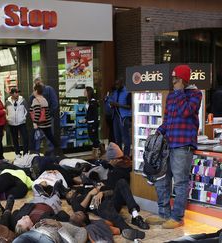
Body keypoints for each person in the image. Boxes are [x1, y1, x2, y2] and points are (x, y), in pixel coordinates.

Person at [147, 64, 202, 229]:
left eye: (176, 78)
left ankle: (177, 218)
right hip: (168, 144)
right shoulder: (171, 96)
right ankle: (164, 215)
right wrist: (157, 133)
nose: (173, 81)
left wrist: (179, 91)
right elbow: (168, 120)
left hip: (183, 145)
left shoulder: (195, 94)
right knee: (162, 180)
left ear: (184, 80)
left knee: (180, 182)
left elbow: (186, 112)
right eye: (172, 78)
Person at [66, 179, 149, 241]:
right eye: (68, 194)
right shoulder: (75, 201)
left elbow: (112, 190)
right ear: (69, 200)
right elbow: (80, 209)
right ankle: (127, 229)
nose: (70, 192)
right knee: (106, 206)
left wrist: (102, 193)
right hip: (100, 207)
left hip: (112, 201)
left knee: (121, 182)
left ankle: (135, 216)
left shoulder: (84, 189)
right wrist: (90, 194)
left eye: (70, 191)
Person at [30, 77, 59, 156]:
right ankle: (38, 155)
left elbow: (55, 103)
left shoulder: (49, 89)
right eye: (36, 84)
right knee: (39, 137)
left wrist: (48, 114)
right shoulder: (36, 93)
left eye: (39, 83)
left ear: (42, 82)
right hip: (41, 119)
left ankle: (49, 155)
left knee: (46, 137)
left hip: (45, 119)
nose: (38, 86)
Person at [109, 79, 132, 156]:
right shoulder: (115, 92)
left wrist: (117, 105)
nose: (116, 86)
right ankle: (119, 156)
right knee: (117, 138)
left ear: (122, 84)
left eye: (118, 85)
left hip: (124, 117)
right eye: (116, 85)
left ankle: (126, 156)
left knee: (125, 138)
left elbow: (130, 106)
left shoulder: (127, 92)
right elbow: (112, 102)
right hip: (115, 116)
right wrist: (111, 104)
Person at [5, 88, 29, 159]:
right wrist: (8, 118)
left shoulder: (23, 101)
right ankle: (17, 153)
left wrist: (23, 118)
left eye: (18, 92)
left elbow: (27, 111)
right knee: (14, 139)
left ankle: (25, 153)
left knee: (25, 138)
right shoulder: (7, 102)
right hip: (12, 123)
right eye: (15, 93)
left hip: (21, 122)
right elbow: (5, 111)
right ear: (11, 94)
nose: (17, 94)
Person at [83, 87, 104, 158]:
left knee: (93, 138)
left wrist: (95, 124)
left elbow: (95, 114)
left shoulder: (93, 102)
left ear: (89, 92)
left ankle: (96, 152)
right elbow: (88, 113)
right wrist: (86, 118)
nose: (84, 92)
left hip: (93, 123)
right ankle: (101, 150)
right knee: (93, 137)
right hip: (89, 122)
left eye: (85, 91)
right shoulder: (88, 101)